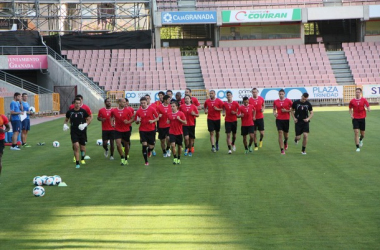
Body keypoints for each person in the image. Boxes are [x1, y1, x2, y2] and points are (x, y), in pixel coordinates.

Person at [64, 97, 91, 169]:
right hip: (74, 131)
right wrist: (65, 125)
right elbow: (66, 119)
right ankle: (77, 163)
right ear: (74, 104)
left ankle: (82, 158)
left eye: (79, 103)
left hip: (82, 131)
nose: (78, 105)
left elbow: (88, 119)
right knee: (76, 146)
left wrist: (85, 124)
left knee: (82, 147)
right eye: (76, 103)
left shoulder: (83, 111)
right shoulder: (70, 112)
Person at [135, 97, 159, 166]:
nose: (143, 104)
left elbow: (157, 118)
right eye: (141, 103)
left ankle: (149, 151)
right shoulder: (139, 111)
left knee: (151, 146)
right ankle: (146, 161)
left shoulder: (152, 109)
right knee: (144, 144)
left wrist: (153, 121)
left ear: (147, 102)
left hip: (151, 130)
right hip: (142, 130)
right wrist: (137, 121)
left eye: (144, 103)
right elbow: (136, 122)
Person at [69, 94, 92, 162]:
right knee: (75, 144)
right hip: (74, 128)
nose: (78, 103)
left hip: (82, 129)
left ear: (82, 100)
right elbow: (69, 115)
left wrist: (86, 124)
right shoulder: (71, 107)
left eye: (80, 100)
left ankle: (82, 158)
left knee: (82, 144)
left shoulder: (85, 108)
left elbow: (90, 117)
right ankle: (75, 156)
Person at [111, 98, 134, 165]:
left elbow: (133, 118)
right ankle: (122, 157)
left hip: (126, 130)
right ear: (120, 103)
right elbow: (111, 117)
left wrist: (128, 122)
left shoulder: (128, 110)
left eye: (125, 102)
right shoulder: (114, 110)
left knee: (126, 145)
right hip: (117, 129)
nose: (125, 103)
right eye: (123, 102)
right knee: (118, 144)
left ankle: (126, 157)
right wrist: (112, 123)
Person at [349, 88, 370, 152]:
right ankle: (357, 147)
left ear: (360, 93)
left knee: (362, 134)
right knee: (356, 132)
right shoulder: (352, 101)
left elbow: (367, 106)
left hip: (362, 118)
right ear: (355, 93)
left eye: (358, 92)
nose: (357, 93)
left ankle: (360, 139)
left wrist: (368, 109)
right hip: (355, 118)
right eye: (356, 92)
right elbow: (350, 108)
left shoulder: (363, 100)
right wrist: (351, 115)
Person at [273, 89, 293, 155]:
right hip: (279, 119)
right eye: (280, 94)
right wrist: (275, 113)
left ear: (284, 94)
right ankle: (282, 149)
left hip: (286, 119)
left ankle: (286, 142)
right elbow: (274, 109)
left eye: (282, 94)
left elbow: (293, 109)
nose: (281, 95)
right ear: (278, 94)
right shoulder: (275, 101)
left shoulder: (288, 101)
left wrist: (286, 111)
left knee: (286, 135)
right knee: (280, 133)